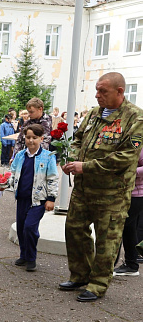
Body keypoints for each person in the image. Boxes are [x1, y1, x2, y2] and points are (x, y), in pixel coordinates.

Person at [60, 72, 143, 302]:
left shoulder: (135, 118)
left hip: (112, 193)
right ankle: (80, 275)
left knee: (107, 240)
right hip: (83, 189)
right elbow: (77, 139)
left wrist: (85, 166)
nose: (97, 95)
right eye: (96, 90)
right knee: (74, 229)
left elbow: (126, 157)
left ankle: (98, 284)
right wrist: (72, 158)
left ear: (119, 92)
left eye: (102, 91)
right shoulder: (95, 114)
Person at [8, 124, 58, 272]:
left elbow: (53, 179)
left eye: (34, 138)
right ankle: (24, 254)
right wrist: (5, 183)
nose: (31, 141)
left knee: (30, 227)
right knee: (21, 228)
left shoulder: (48, 156)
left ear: (41, 138)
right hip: (22, 198)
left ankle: (31, 257)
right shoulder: (20, 155)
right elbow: (13, 173)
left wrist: (51, 198)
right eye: (28, 137)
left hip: (38, 200)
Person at [115, 150, 143, 277]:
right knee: (129, 228)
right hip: (124, 192)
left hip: (136, 194)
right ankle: (132, 264)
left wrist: (130, 172)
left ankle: (107, 265)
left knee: (117, 227)